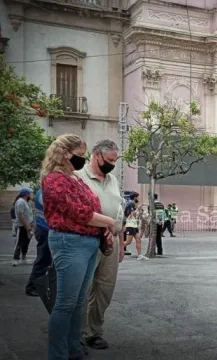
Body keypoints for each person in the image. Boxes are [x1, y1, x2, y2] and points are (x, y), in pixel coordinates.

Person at [41, 134, 116, 360]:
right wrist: (109, 222)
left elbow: (93, 205)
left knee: (77, 302)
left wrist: (104, 228)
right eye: (79, 155)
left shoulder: (74, 178)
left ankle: (74, 349)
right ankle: (58, 355)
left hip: (88, 242)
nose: (81, 160)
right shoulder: (54, 179)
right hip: (70, 242)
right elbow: (79, 212)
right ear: (65, 153)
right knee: (65, 303)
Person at [76, 139, 125, 351]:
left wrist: (121, 242)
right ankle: (76, 332)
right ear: (97, 155)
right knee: (81, 288)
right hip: (86, 238)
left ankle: (93, 332)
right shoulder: (78, 177)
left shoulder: (113, 180)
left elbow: (119, 210)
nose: (112, 164)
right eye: (110, 160)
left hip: (111, 240)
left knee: (105, 288)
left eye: (115, 160)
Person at [25, 188, 51, 297]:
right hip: (45, 230)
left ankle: (40, 286)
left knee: (46, 260)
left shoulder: (43, 190)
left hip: (43, 229)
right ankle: (32, 287)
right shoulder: (45, 192)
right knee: (43, 259)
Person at [12, 188, 34, 266]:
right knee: (19, 242)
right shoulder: (20, 202)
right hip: (22, 226)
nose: (31, 194)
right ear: (26, 194)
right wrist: (27, 227)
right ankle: (15, 259)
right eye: (30, 193)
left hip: (28, 225)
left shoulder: (26, 202)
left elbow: (29, 214)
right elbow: (21, 216)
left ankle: (23, 257)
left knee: (26, 242)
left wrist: (31, 223)